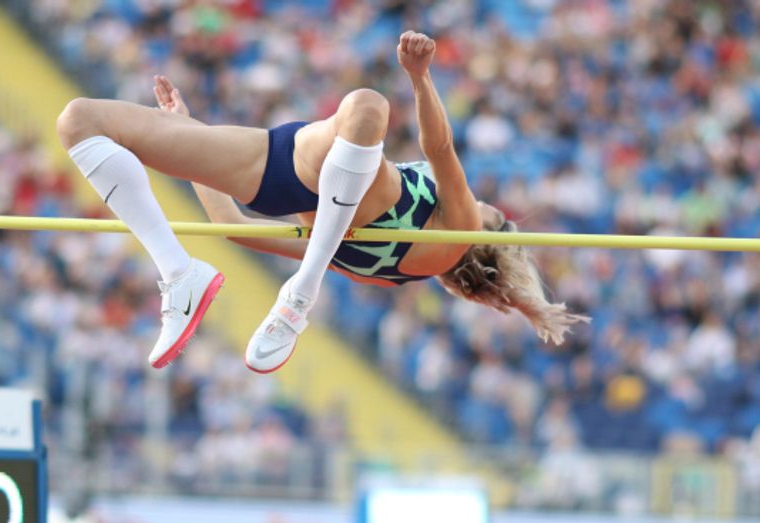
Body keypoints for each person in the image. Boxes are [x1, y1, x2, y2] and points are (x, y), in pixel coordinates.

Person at [57, 31, 588, 374]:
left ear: (486, 235)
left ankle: (299, 296)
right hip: (286, 160)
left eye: (491, 211)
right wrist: (189, 131)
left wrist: (421, 79)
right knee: (81, 120)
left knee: (365, 105)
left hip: (299, 162)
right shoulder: (379, 274)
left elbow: (439, 147)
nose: (483, 202)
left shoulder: (461, 229)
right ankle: (179, 275)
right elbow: (236, 230)